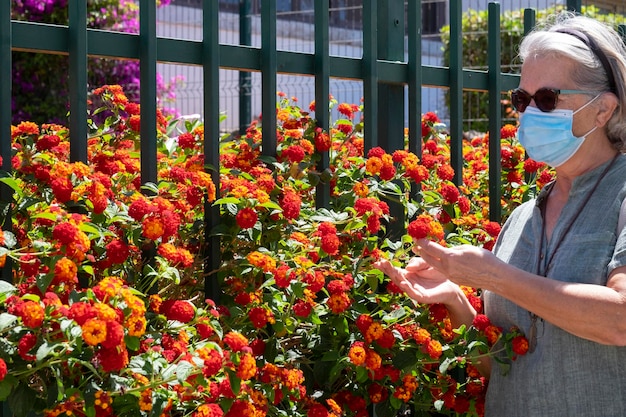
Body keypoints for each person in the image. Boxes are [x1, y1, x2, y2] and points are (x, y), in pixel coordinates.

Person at [374, 12, 626, 416]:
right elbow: (503, 368)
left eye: (547, 99)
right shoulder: (524, 216)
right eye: (522, 100)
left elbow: (620, 320)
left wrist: (496, 276)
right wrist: (458, 297)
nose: (528, 114)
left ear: (603, 110)